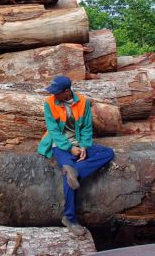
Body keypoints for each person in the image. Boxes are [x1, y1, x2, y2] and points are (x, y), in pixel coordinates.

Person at [37, 75, 114, 236]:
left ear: (67, 91)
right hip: (60, 145)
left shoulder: (83, 102)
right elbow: (53, 130)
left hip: (79, 143)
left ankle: (75, 170)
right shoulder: (49, 103)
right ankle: (70, 219)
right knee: (68, 177)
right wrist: (69, 148)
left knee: (107, 152)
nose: (53, 95)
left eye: (57, 92)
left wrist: (84, 147)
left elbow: (86, 128)